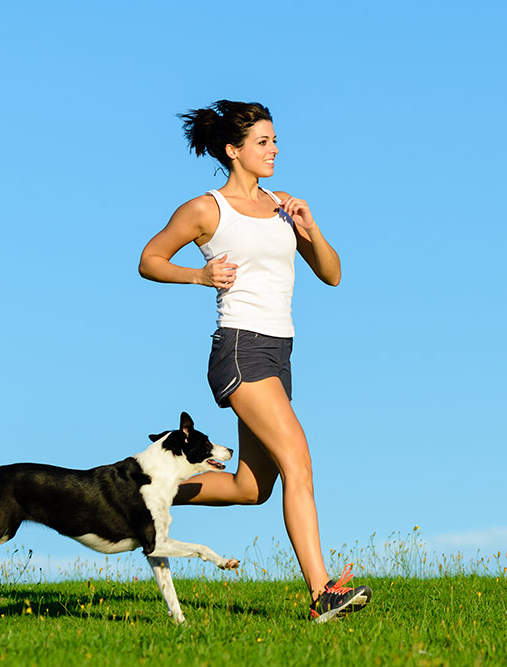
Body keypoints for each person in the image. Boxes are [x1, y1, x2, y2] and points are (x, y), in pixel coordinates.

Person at [138, 100, 371, 622]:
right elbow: (149, 259)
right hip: (240, 350)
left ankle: (148, 491)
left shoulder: (283, 205)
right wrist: (199, 276)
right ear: (233, 150)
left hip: (280, 351)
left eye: (274, 141)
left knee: (252, 487)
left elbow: (331, 274)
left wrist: (310, 226)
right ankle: (321, 593)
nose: (274, 150)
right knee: (298, 461)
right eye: (263, 142)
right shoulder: (207, 209)